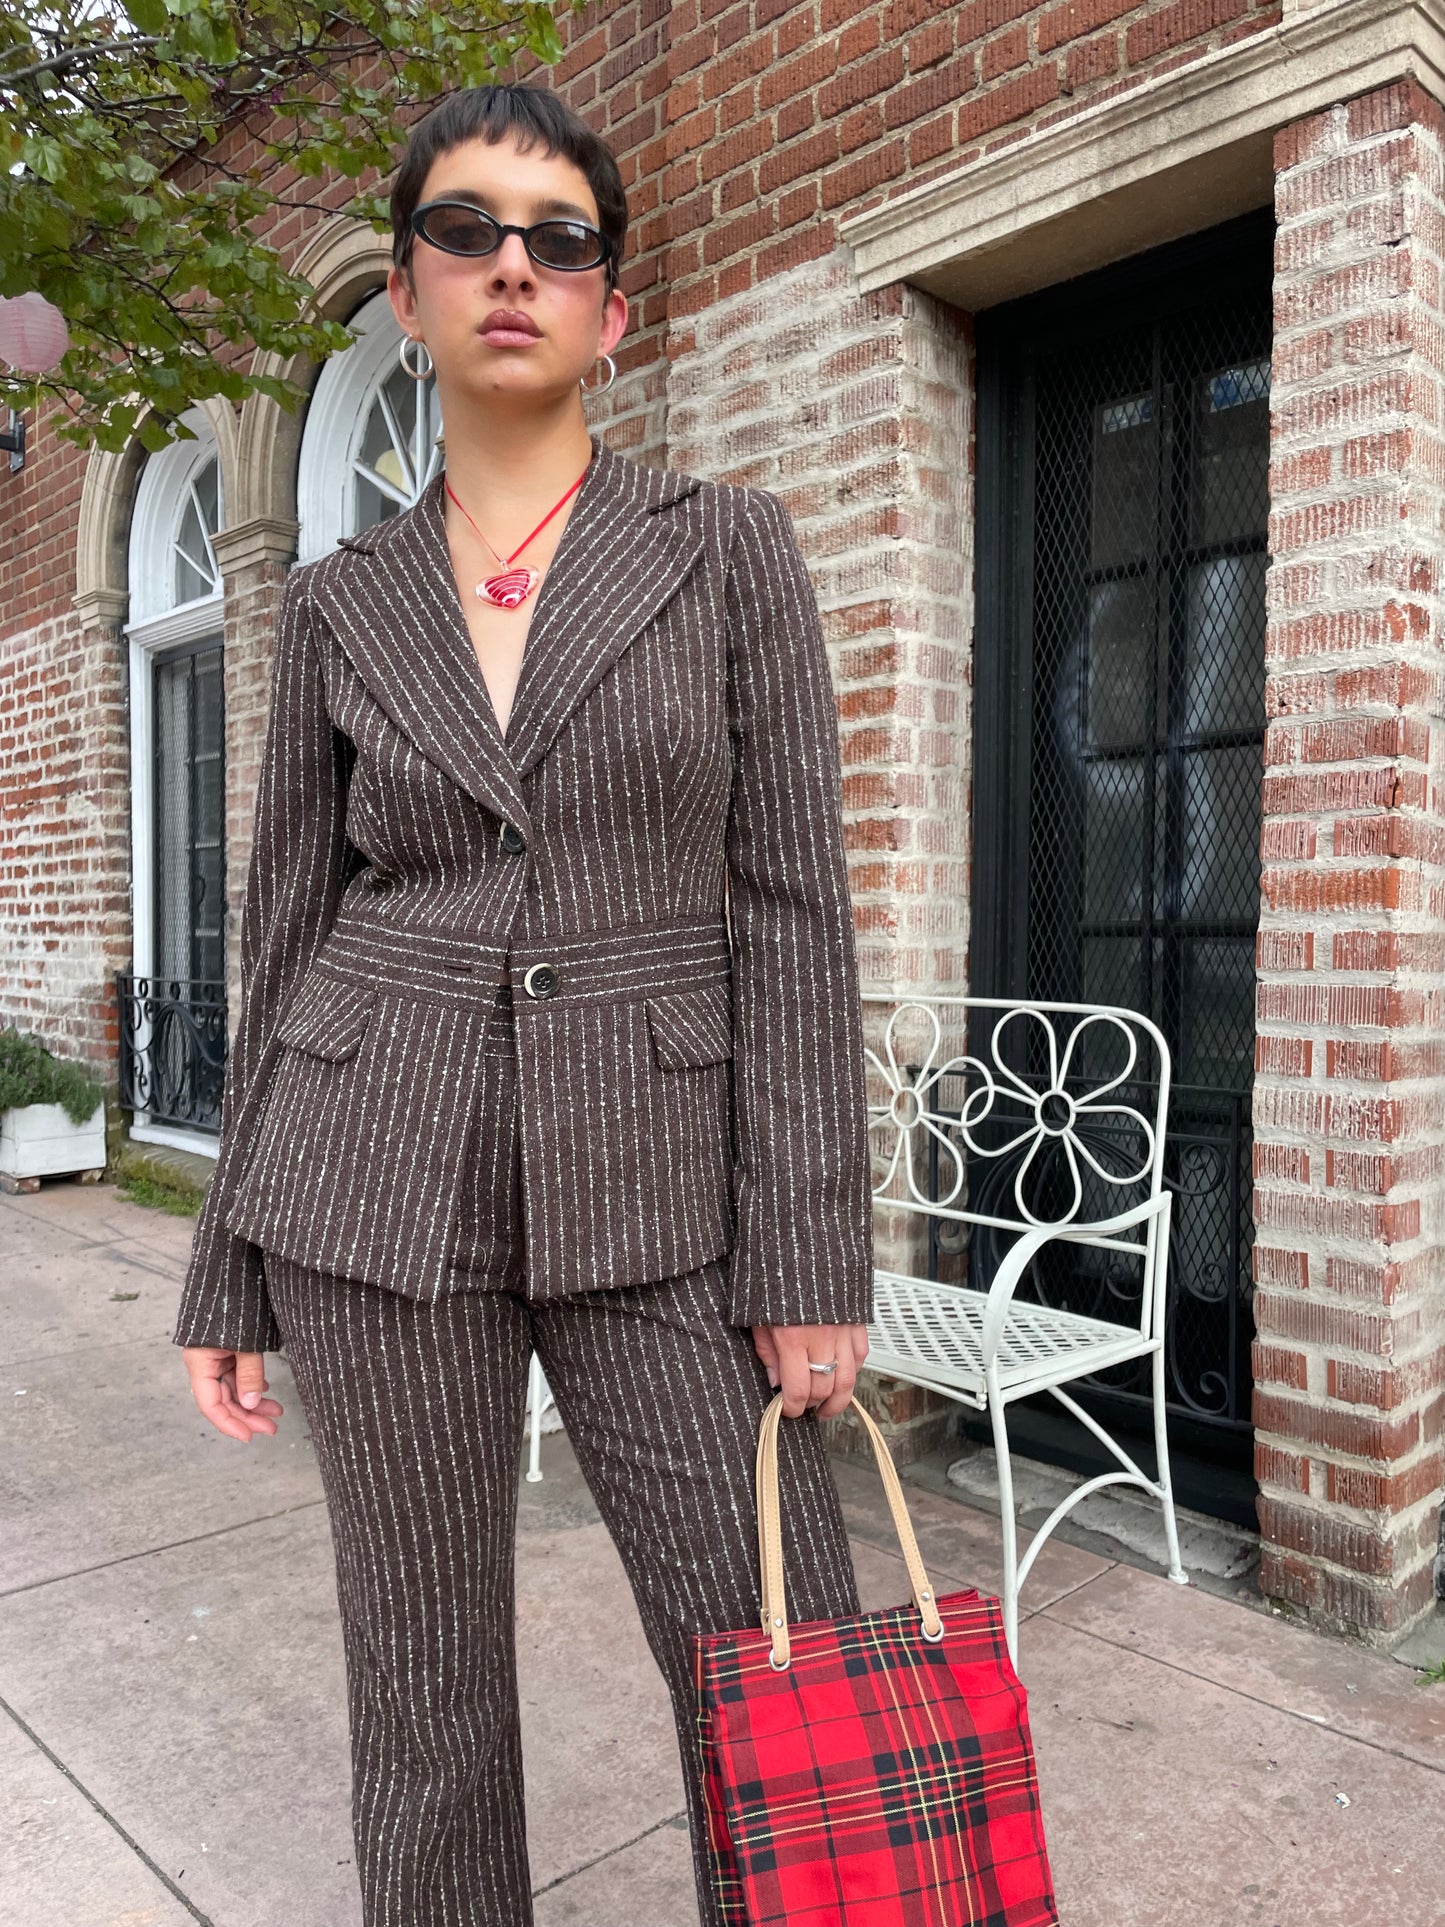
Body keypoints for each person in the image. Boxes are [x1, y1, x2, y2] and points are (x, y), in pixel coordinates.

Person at [173, 81, 875, 1927]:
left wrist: (808, 1256)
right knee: (421, 1704)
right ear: (403, 295)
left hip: (671, 1196)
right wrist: (225, 1267)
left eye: (559, 240)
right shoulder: (336, 605)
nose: (513, 267)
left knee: (778, 1659)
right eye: (467, 233)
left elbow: (794, 913)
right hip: (370, 1185)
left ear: (609, 310)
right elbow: (286, 923)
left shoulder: (728, 550)